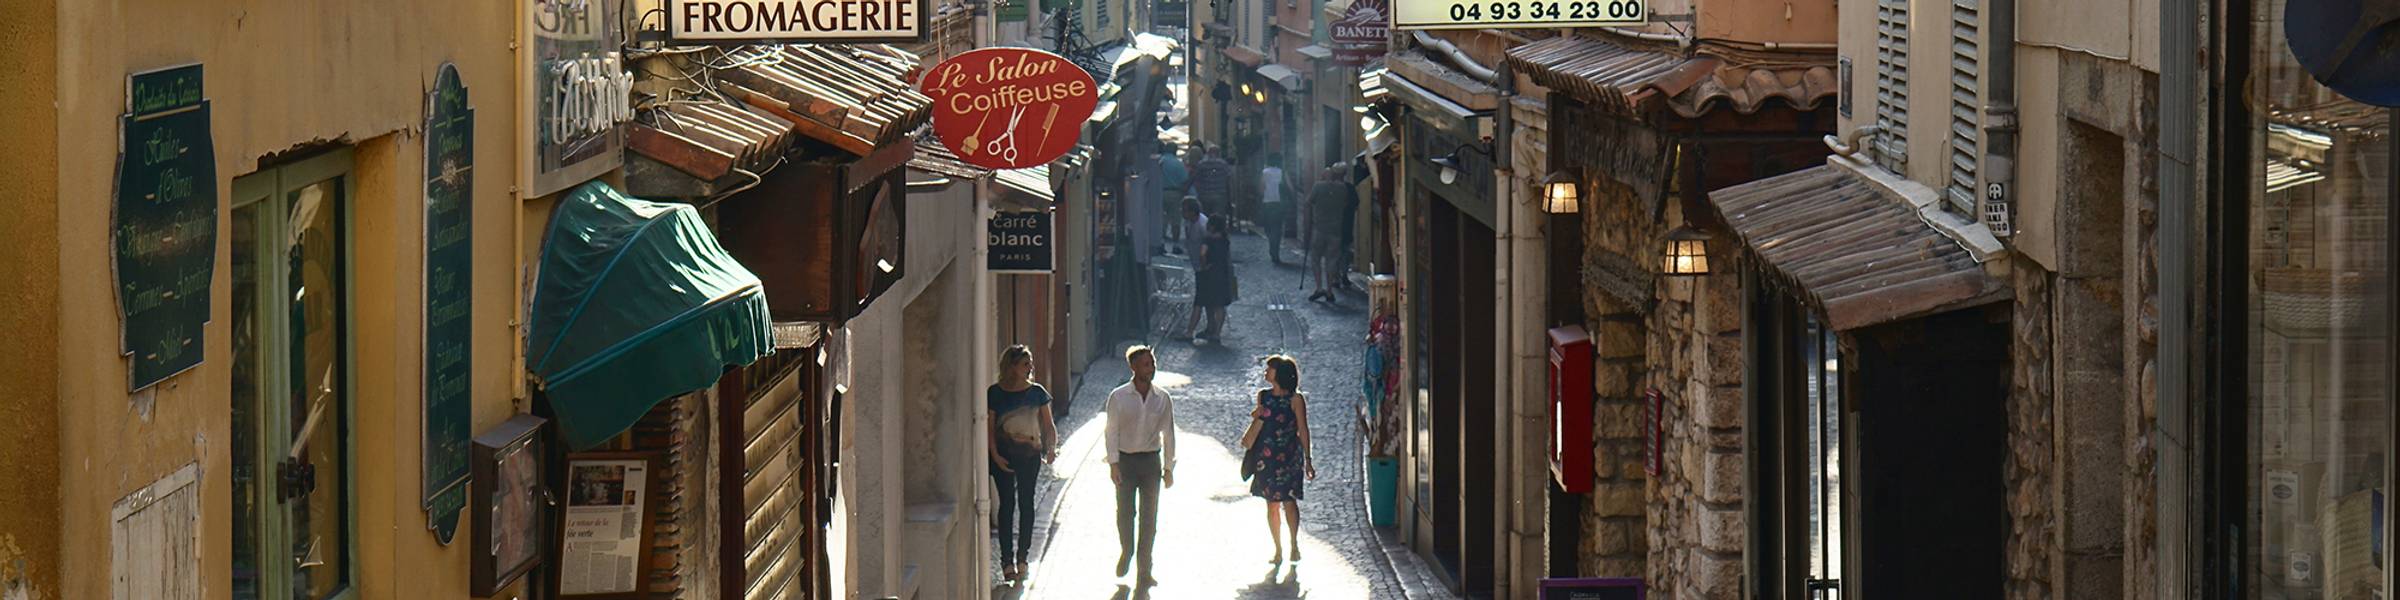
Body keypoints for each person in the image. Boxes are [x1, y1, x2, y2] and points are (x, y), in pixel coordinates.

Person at [1105, 346, 1177, 586]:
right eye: (1146, 364)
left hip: (1150, 463)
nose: (1151, 368)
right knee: (1125, 513)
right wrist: (1114, 463)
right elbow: (1111, 431)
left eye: (1152, 363)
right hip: (1126, 461)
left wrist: (1168, 468)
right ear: (1133, 367)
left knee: (1149, 517)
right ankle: (1127, 551)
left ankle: (1145, 570)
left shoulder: (1162, 398)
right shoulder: (1118, 396)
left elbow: (1169, 433)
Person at [988, 345, 1057, 583]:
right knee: (1006, 504)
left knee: (1027, 503)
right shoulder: (995, 393)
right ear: (1012, 367)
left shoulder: (1037, 392)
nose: (1030, 368)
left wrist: (1051, 448)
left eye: (1030, 363)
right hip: (1004, 455)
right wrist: (995, 455)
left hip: (1030, 454)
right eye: (1025, 364)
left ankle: (1022, 557)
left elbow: (1048, 424)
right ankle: (1006, 560)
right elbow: (989, 428)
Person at [1240, 355, 1316, 563]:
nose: (1266, 371)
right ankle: (1278, 549)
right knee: (1271, 504)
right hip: (1266, 457)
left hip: (1289, 456)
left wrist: (1308, 458)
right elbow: (1260, 423)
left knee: (1289, 501)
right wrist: (1257, 415)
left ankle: (1293, 544)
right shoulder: (1263, 396)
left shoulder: (1295, 399)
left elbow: (1302, 428)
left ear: (1279, 373)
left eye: (1270, 369)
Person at [1306, 164, 1353, 304]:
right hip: (1335, 230)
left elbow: (1308, 202)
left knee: (1315, 258)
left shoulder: (1318, 186)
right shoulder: (1343, 188)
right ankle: (1329, 291)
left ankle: (1319, 287)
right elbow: (1345, 204)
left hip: (1319, 229)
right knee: (1331, 261)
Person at [1185, 217, 1235, 343]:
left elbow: (1202, 254)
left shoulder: (1208, 239)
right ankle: (1216, 333)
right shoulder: (1225, 240)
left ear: (1212, 226)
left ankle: (1197, 330)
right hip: (1222, 274)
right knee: (1219, 305)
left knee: (1205, 301)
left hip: (1209, 273)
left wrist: (1203, 265)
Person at [1257, 153, 1300, 265]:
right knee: (1277, 227)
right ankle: (1275, 250)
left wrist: (1264, 195)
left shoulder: (1265, 172)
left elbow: (1261, 189)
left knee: (1269, 228)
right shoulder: (1282, 172)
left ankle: (1272, 248)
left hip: (1267, 203)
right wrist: (1293, 199)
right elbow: (1290, 187)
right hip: (1279, 204)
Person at [1157, 144, 1190, 252]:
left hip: (1160, 192)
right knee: (1175, 220)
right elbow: (1185, 180)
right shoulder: (1178, 164)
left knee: (1161, 219)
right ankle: (1175, 245)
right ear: (1175, 151)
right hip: (1175, 193)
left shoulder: (1160, 162)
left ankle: (1160, 243)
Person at [1193, 146, 1234, 225]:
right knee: (1219, 217)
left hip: (1205, 195)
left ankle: (1206, 232)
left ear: (1208, 153)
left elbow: (1196, 179)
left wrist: (1199, 192)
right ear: (1218, 153)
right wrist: (1229, 196)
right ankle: (1218, 233)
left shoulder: (1201, 164)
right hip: (1220, 195)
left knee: (1205, 217)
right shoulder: (1223, 164)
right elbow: (1228, 181)